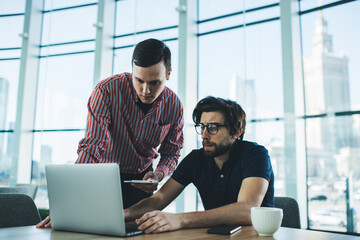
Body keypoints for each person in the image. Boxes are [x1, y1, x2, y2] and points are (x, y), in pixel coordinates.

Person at [122, 96, 274, 233]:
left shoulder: (255, 155)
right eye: (202, 127)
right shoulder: (196, 159)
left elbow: (247, 210)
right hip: (216, 236)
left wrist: (180, 219)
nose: (204, 135)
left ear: (236, 132)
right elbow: (159, 199)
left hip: (255, 236)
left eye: (213, 128)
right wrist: (123, 214)